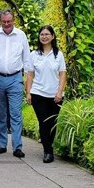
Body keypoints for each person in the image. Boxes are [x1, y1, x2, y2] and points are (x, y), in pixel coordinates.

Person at [0, 10, 32, 159]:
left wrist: (27, 83)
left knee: (15, 114)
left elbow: (26, 59)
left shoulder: (21, 35)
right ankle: (2, 144)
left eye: (9, 21)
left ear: (14, 20)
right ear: (0, 21)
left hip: (15, 78)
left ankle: (17, 147)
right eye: (4, 21)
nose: (6, 24)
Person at [25, 25, 67, 163]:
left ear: (53, 36)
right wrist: (28, 93)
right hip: (38, 94)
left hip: (55, 95)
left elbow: (62, 74)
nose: (44, 36)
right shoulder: (33, 55)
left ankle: (49, 147)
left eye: (47, 34)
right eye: (42, 34)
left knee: (52, 123)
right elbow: (30, 75)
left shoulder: (58, 55)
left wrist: (60, 92)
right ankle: (48, 152)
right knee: (44, 122)